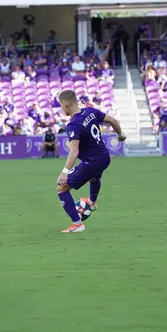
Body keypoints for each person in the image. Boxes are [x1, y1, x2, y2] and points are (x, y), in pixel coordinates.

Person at [56, 90, 126, 233]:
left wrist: (64, 172)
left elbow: (74, 151)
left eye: (61, 106)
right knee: (93, 177)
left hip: (92, 162)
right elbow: (113, 121)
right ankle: (92, 202)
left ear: (66, 105)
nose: (61, 109)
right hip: (104, 157)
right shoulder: (90, 111)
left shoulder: (73, 124)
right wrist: (120, 134)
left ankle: (77, 224)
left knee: (61, 188)